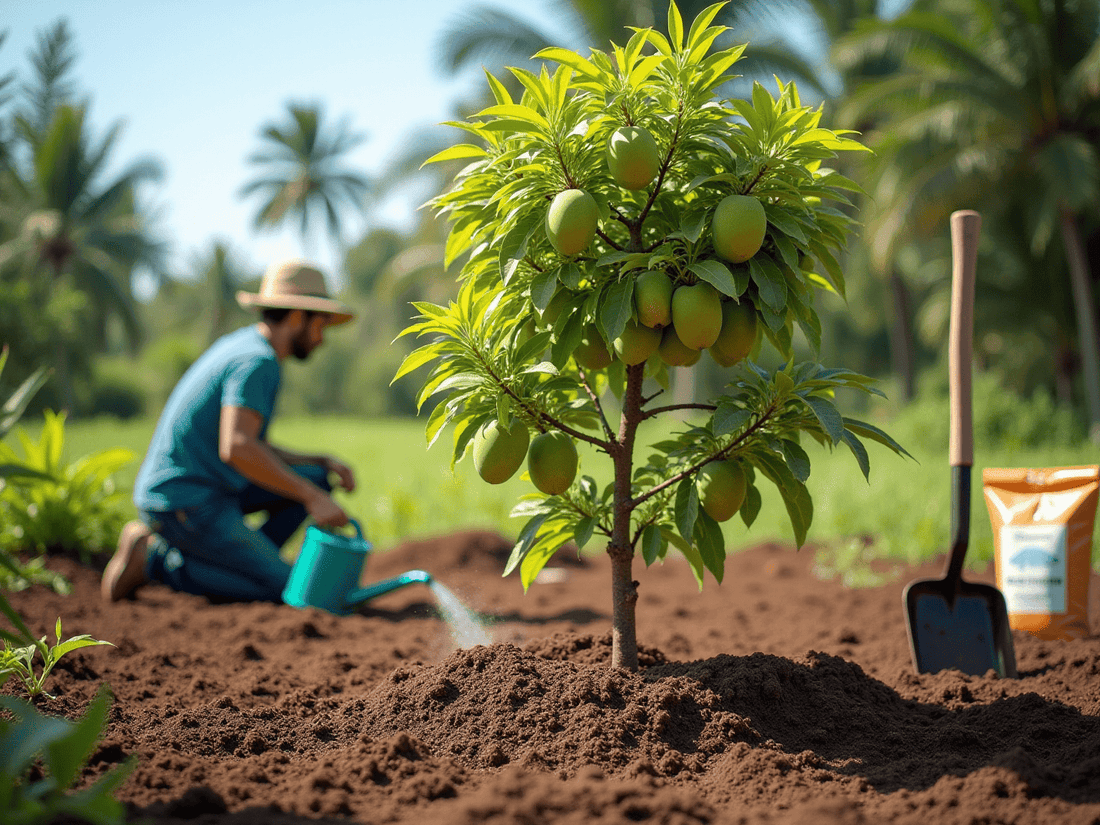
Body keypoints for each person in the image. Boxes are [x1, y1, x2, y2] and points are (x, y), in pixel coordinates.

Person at [102, 259, 358, 604]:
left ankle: (246, 559)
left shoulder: (247, 346)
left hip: (213, 487)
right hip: (186, 501)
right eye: (321, 325)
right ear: (298, 317)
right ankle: (156, 560)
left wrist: (320, 461)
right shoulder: (257, 363)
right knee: (285, 589)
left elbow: (252, 444)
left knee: (316, 477)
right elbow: (237, 448)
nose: (322, 339)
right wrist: (312, 498)